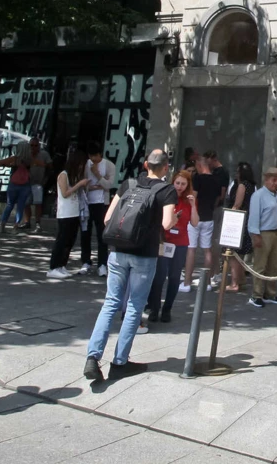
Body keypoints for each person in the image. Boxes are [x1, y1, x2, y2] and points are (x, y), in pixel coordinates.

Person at [83, 149, 178, 381]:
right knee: (135, 306)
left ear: (146, 165)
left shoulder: (128, 183)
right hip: (144, 255)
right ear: (166, 168)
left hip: (117, 252)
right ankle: (120, 362)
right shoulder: (167, 190)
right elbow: (167, 224)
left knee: (111, 302)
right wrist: (174, 218)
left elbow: (107, 219)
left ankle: (92, 357)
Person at [146, 169, 199, 323]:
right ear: (173, 182)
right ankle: (154, 308)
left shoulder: (189, 201)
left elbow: (195, 223)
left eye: (183, 184)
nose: (180, 187)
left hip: (181, 243)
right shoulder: (167, 196)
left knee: (175, 277)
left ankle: (167, 309)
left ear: (188, 185)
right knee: (159, 276)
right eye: (177, 183)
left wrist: (193, 205)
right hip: (164, 241)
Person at [246, 165, 277, 307]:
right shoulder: (258, 195)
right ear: (266, 180)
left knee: (274, 265)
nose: (275, 183)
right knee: (260, 264)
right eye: (273, 180)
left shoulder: (276, 196)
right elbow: (254, 217)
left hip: (275, 232)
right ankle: (256, 294)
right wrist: (255, 235)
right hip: (263, 233)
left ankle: (270, 293)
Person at [48, 150, 90, 279]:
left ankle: (62, 265)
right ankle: (53, 267)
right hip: (65, 213)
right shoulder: (63, 175)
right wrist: (79, 184)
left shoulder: (73, 176)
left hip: (74, 213)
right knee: (61, 240)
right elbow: (65, 193)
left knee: (69, 241)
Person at [186, 153, 222, 289]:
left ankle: (187, 282)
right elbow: (219, 197)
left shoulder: (198, 179)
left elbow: (193, 198)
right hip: (209, 217)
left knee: (191, 249)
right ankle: (206, 282)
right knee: (207, 249)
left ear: (200, 166)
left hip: (196, 216)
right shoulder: (216, 180)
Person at [79, 142, 115, 276]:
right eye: (91, 156)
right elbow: (83, 184)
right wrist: (97, 185)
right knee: (85, 233)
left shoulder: (109, 165)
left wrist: (98, 175)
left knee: (101, 234)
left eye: (96, 156)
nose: (93, 159)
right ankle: (86, 261)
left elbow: (109, 185)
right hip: (87, 201)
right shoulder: (85, 165)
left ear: (100, 154)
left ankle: (102, 264)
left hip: (101, 203)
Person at [225, 162, 256, 293]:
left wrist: (229, 221)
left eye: (237, 172)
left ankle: (234, 283)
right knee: (240, 254)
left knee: (233, 254)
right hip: (248, 219)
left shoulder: (242, 186)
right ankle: (241, 280)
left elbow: (237, 204)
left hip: (239, 222)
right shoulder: (253, 186)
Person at [0, 138, 33, 233]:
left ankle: (2, 225)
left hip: (13, 184)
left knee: (9, 205)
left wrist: (9, 165)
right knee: (20, 206)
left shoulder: (15, 159)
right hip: (25, 185)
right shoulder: (30, 160)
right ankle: (15, 227)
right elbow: (42, 165)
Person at [22, 138, 53, 233]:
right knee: (26, 203)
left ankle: (38, 223)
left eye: (36, 145)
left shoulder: (44, 154)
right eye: (31, 145)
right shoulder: (26, 155)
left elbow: (50, 167)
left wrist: (45, 180)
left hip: (38, 183)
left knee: (38, 203)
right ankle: (27, 222)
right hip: (27, 183)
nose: (33, 147)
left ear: (39, 146)